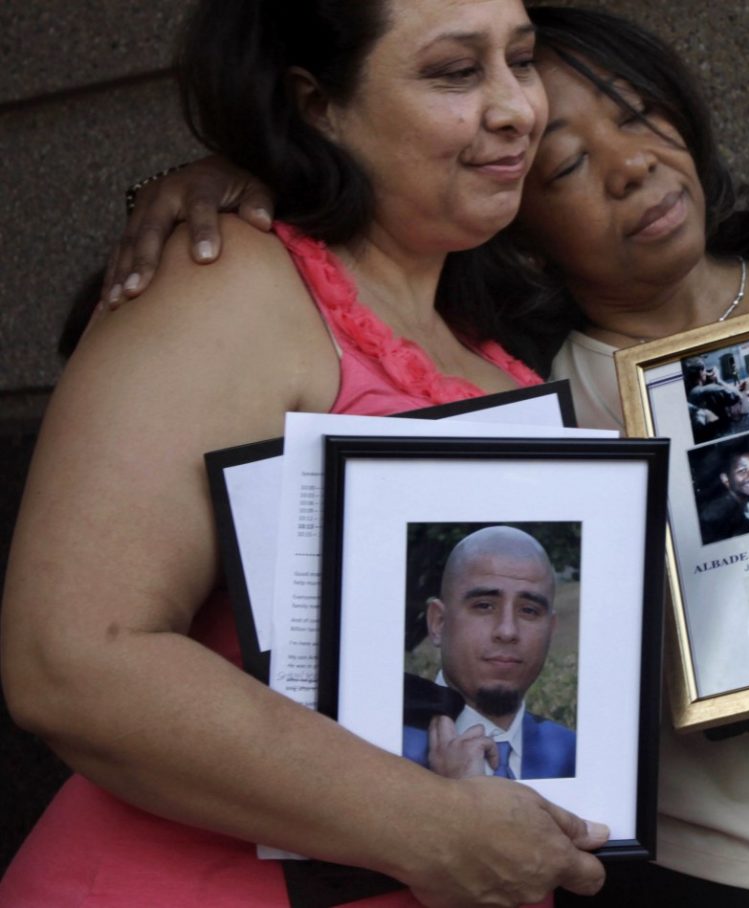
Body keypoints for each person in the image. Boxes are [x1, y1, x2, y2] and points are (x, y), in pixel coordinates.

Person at [98, 6, 749, 907]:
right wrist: (221, 181)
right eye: (566, 167)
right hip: (674, 881)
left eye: (635, 116)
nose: (630, 165)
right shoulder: (500, 384)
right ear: (513, 206)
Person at [0, 2, 612, 907]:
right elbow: (73, 659)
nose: (517, 107)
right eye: (454, 72)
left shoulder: (492, 340)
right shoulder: (231, 282)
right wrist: (432, 826)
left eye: (520, 60)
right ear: (316, 103)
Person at [403, 526, 576, 781]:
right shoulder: (381, 746)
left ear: (550, 631)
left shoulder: (573, 754)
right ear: (438, 623)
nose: (507, 631)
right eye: (484, 606)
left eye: (528, 611)